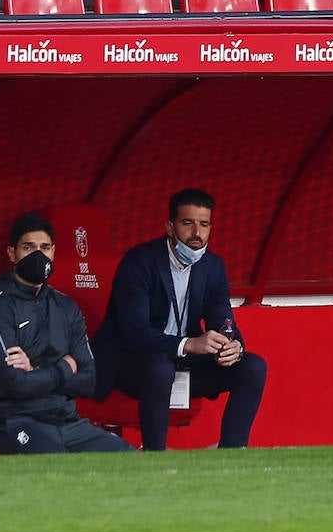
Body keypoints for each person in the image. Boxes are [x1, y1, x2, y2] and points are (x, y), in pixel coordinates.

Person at [92, 188, 267, 450]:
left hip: (183, 365)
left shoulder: (213, 266)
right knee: (160, 369)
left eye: (204, 224)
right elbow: (134, 333)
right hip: (133, 365)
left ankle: (233, 452)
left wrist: (232, 346)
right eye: (188, 223)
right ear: (170, 227)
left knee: (253, 366)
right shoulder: (139, 262)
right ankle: (156, 455)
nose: (197, 233)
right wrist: (188, 344)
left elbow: (224, 319)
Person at [0, 214, 134, 454]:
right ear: (11, 253)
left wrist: (34, 371)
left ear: (53, 252)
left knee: (127, 458)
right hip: (14, 421)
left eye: (44, 248)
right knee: (56, 463)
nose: (38, 255)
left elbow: (90, 382)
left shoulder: (66, 307)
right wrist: (65, 367)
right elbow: (15, 384)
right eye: (28, 247)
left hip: (67, 421)